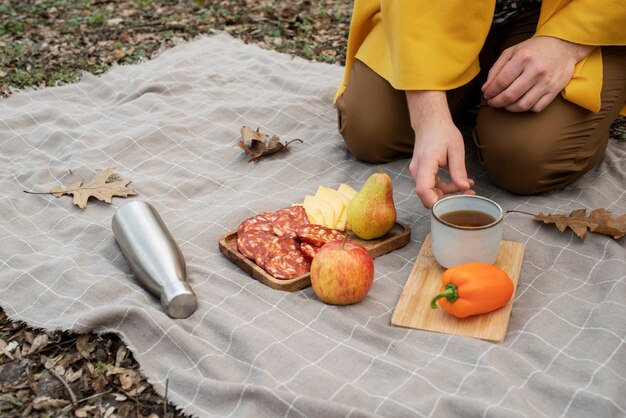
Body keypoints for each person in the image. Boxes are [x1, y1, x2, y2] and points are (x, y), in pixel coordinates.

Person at [334, 0, 626, 208]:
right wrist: (428, 114)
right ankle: (478, 82)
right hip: (444, 9)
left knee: (525, 158)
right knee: (370, 131)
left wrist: (567, 43)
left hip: (570, 10)